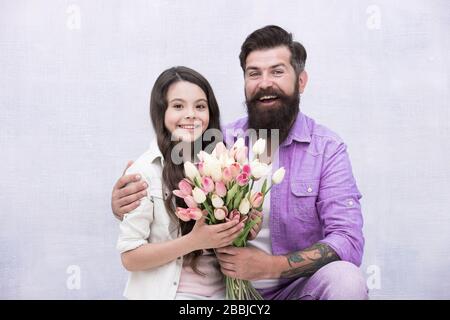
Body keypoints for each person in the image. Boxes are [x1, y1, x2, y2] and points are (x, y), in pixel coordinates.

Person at [112, 26, 368, 300]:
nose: (265, 83)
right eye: (254, 73)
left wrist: (272, 267)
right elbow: (167, 188)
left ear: (301, 81)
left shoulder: (326, 149)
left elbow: (348, 240)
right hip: (228, 294)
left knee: (346, 279)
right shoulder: (217, 141)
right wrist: (124, 203)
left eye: (277, 71)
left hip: (297, 289)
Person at [116, 66, 245, 299]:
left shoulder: (221, 163)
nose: (191, 114)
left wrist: (244, 228)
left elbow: (226, 238)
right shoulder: (145, 171)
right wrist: (193, 242)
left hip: (224, 295)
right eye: (178, 106)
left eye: (200, 106)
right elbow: (130, 256)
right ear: (161, 112)